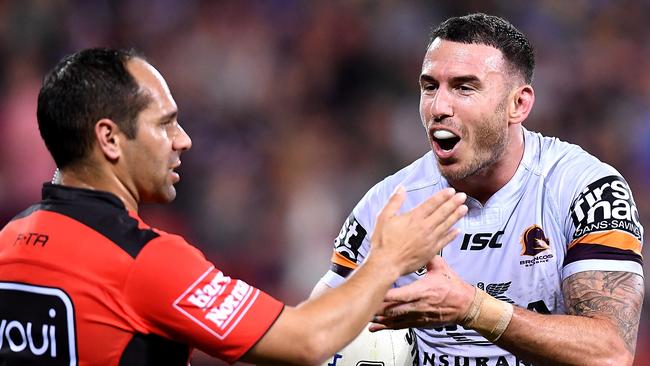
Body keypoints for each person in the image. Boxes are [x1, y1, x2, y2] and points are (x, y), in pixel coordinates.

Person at [0, 48, 469, 365]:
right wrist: (390, 258)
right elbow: (307, 341)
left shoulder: (9, 242)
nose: (183, 141)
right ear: (109, 138)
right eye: (165, 124)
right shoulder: (143, 261)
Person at [311, 13, 644, 366]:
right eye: (429, 87)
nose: (439, 107)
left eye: (464, 87)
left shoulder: (586, 192)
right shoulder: (387, 205)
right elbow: (317, 332)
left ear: (518, 104)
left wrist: (471, 307)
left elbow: (611, 353)